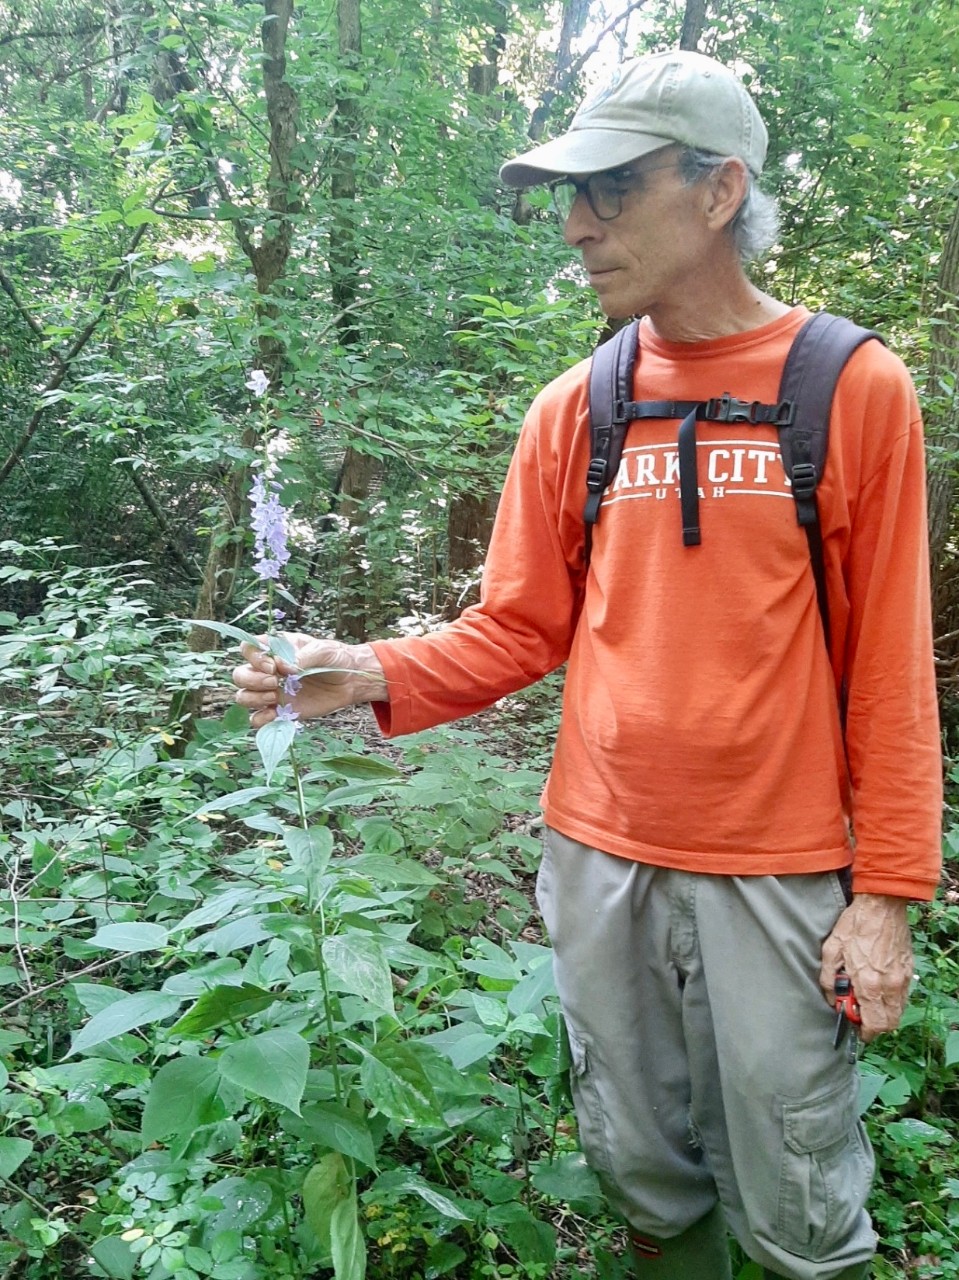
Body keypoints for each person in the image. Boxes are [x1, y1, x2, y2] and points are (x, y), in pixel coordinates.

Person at [233, 50, 942, 1280]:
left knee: (796, 1194)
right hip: (597, 855)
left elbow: (888, 664)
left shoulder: (846, 388)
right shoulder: (579, 405)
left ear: (717, 190)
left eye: (610, 188)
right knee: (642, 1173)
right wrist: (372, 669)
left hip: (774, 871)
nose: (575, 225)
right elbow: (518, 625)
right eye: (572, 195)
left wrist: (883, 894)